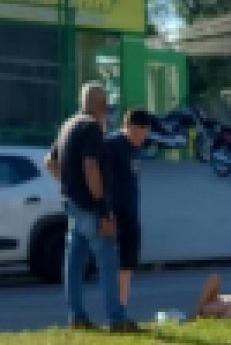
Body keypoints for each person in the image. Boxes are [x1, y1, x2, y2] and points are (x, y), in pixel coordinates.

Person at [45, 82, 136, 332]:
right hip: (91, 207)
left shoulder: (68, 125)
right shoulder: (91, 127)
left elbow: (50, 162)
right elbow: (91, 166)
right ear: (101, 106)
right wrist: (102, 209)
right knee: (107, 260)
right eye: (107, 106)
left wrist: (70, 185)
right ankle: (116, 318)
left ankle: (77, 316)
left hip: (73, 204)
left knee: (74, 264)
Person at [102, 108, 154, 310]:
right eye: (139, 133)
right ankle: (114, 308)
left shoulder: (136, 148)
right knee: (113, 263)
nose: (142, 138)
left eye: (146, 133)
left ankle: (122, 307)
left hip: (131, 211)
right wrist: (107, 211)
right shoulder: (112, 145)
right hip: (115, 212)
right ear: (128, 126)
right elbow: (102, 180)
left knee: (128, 263)